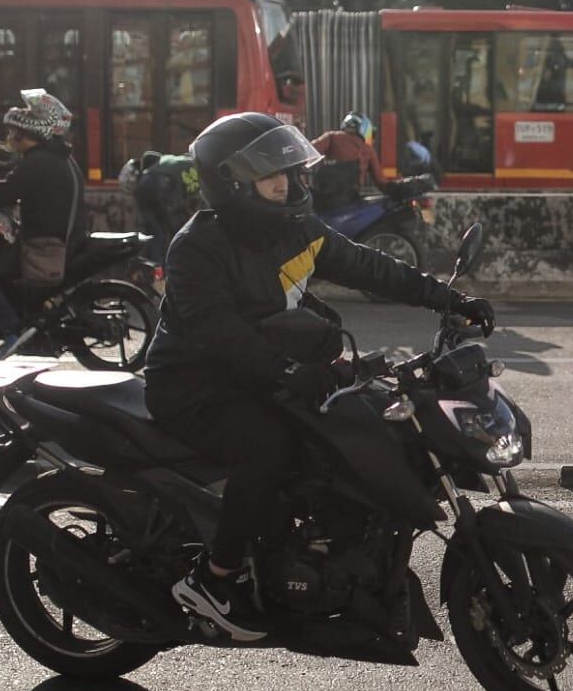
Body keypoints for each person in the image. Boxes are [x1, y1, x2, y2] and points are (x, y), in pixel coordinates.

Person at [144, 112, 494, 640]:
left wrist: (450, 299)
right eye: (271, 176)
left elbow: (368, 266)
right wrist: (288, 370)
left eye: (288, 171)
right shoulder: (197, 248)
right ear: (233, 182)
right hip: (195, 385)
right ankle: (214, 580)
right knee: (270, 447)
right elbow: (221, 336)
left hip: (266, 372)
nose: (286, 184)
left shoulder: (297, 229)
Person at [0, 89, 85, 353]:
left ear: (29, 134)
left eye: (14, 132)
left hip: (43, 244)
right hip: (54, 237)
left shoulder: (38, 163)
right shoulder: (56, 159)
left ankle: (10, 329)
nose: (10, 138)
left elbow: (4, 194)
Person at [119, 150, 203, 262]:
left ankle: (154, 267)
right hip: (164, 183)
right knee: (179, 230)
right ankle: (183, 263)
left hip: (144, 185)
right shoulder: (197, 165)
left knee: (155, 232)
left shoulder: (168, 161)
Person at [310, 112, 387, 209]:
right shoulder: (368, 149)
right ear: (363, 128)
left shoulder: (331, 137)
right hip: (350, 203)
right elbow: (381, 182)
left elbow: (308, 151)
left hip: (323, 201)